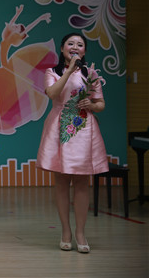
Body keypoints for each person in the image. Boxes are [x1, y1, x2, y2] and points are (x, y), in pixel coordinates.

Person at [37, 33, 107, 254]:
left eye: (80, 44)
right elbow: (52, 93)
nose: (75, 47)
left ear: (84, 51)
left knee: (82, 182)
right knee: (61, 181)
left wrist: (91, 105)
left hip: (83, 127)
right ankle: (66, 231)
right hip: (60, 127)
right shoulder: (52, 72)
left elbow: (101, 103)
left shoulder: (91, 73)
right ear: (62, 49)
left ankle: (80, 233)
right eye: (70, 44)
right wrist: (69, 71)